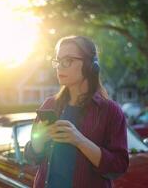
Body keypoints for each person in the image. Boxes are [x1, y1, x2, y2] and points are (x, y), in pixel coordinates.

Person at [24, 35, 129, 188]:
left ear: (89, 66)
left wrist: (80, 141)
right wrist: (37, 144)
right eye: (58, 61)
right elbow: (32, 157)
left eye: (67, 61)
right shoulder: (49, 105)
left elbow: (119, 167)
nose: (60, 66)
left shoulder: (110, 111)